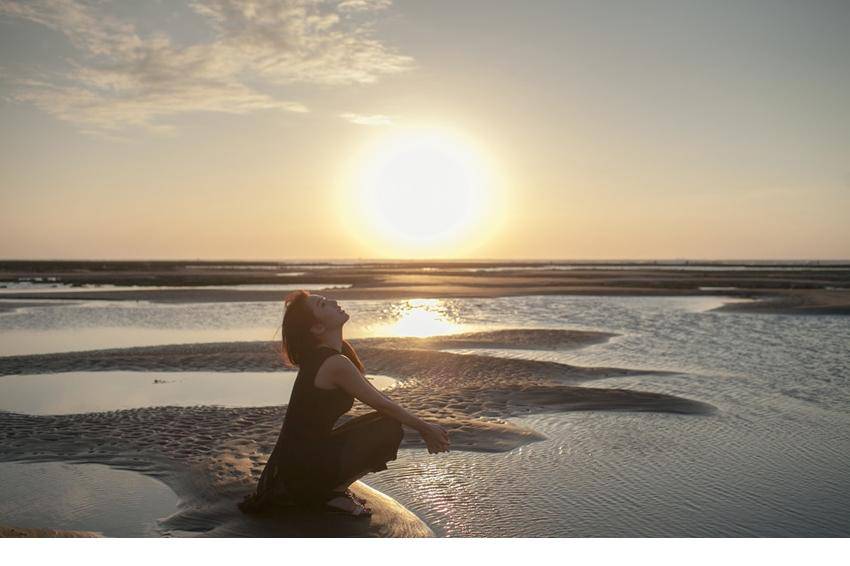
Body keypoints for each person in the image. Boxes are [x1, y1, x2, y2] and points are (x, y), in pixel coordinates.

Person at [239, 290, 450, 517]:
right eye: (323, 304)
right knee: (387, 428)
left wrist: (423, 426)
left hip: (295, 464)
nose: (333, 301)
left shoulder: (330, 355)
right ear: (317, 328)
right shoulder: (334, 363)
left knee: (386, 421)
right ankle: (328, 494)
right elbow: (383, 404)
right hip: (299, 470)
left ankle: (327, 489)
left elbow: (380, 400)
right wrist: (425, 428)